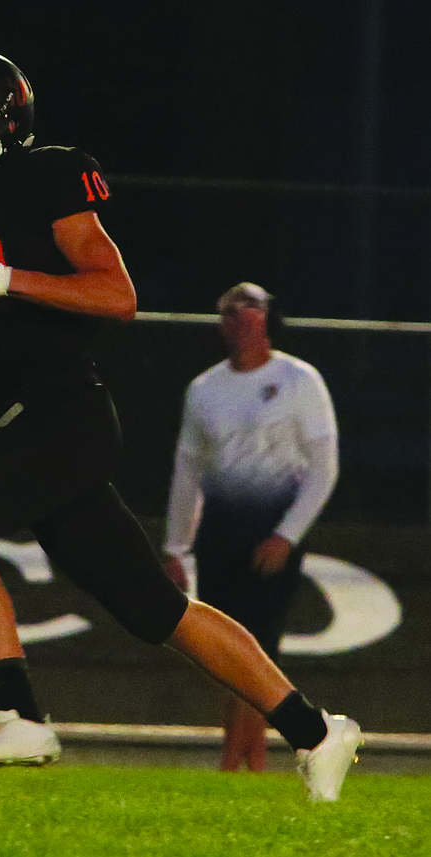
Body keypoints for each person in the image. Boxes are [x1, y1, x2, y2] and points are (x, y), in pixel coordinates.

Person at [0, 49, 361, 800]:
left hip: (66, 408)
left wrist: (2, 278)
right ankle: (319, 731)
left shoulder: (45, 175)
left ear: (6, 120)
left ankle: (19, 712)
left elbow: (116, 293)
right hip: (18, 424)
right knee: (156, 611)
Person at [163, 282, 339, 772]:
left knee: (262, 644)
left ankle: (248, 760)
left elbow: (324, 467)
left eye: (251, 308)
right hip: (219, 536)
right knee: (225, 651)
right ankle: (239, 754)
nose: (241, 318)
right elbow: (187, 471)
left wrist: (287, 535)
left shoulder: (300, 380)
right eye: (230, 310)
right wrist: (176, 546)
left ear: (269, 318)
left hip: (271, 535)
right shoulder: (204, 389)